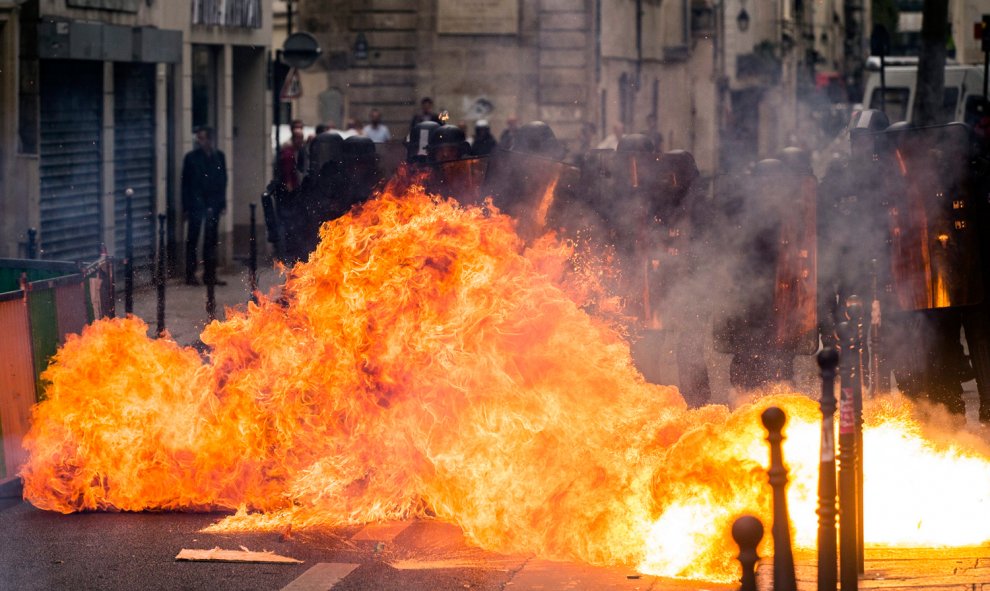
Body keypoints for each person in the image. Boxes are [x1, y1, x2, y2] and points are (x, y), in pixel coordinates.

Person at [181, 126, 227, 286]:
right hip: (196, 203)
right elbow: (185, 184)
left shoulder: (219, 156)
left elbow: (223, 181)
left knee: (211, 240)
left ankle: (210, 274)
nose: (200, 141)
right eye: (198, 138)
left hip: (213, 203)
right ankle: (190, 274)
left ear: (210, 140)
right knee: (192, 240)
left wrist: (222, 203)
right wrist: (186, 207)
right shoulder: (191, 158)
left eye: (202, 138)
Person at [279, 119, 307, 193]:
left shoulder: (304, 147)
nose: (300, 141)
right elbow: (287, 170)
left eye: (300, 128)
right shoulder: (287, 149)